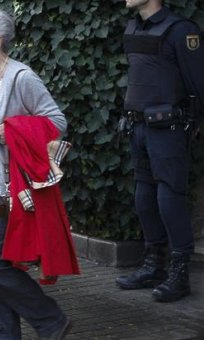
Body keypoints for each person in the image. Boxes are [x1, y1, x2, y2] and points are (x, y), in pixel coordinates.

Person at [0, 5, 72, 339]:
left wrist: (15, 130)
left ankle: (51, 320)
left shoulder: (21, 77)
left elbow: (57, 123)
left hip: (8, 190)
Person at [115, 0, 203, 303]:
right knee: (144, 197)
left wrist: (191, 124)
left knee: (169, 197)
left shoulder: (181, 31)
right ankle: (154, 265)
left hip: (169, 129)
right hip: (137, 126)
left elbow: (199, 85)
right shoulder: (133, 27)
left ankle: (179, 275)